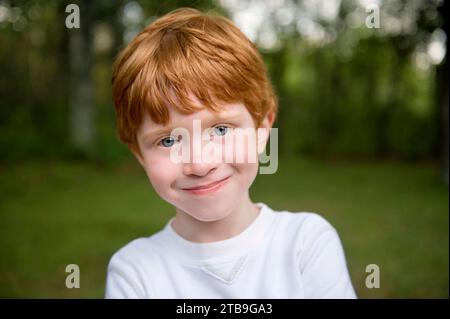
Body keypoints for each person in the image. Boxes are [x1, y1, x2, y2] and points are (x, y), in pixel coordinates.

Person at [105, 7, 356, 299]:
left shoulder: (307, 244)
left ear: (262, 128)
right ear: (139, 154)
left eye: (221, 130)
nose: (200, 164)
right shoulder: (134, 273)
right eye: (169, 141)